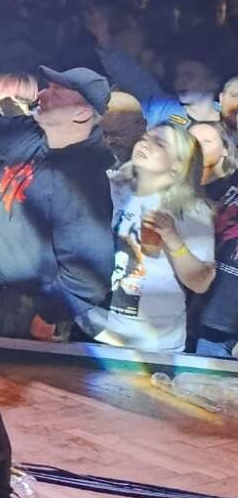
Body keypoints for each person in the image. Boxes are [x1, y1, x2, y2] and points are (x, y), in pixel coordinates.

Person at [0, 55, 115, 341]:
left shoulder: (84, 178)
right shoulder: (30, 134)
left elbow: (90, 273)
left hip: (27, 308)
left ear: (81, 113)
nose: (42, 94)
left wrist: (50, 314)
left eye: (56, 92)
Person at [89, 123, 215, 352]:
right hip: (96, 330)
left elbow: (200, 283)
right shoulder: (112, 186)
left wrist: (172, 237)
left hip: (152, 343)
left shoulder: (190, 210)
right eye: (145, 138)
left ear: (178, 166)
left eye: (160, 143)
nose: (145, 144)